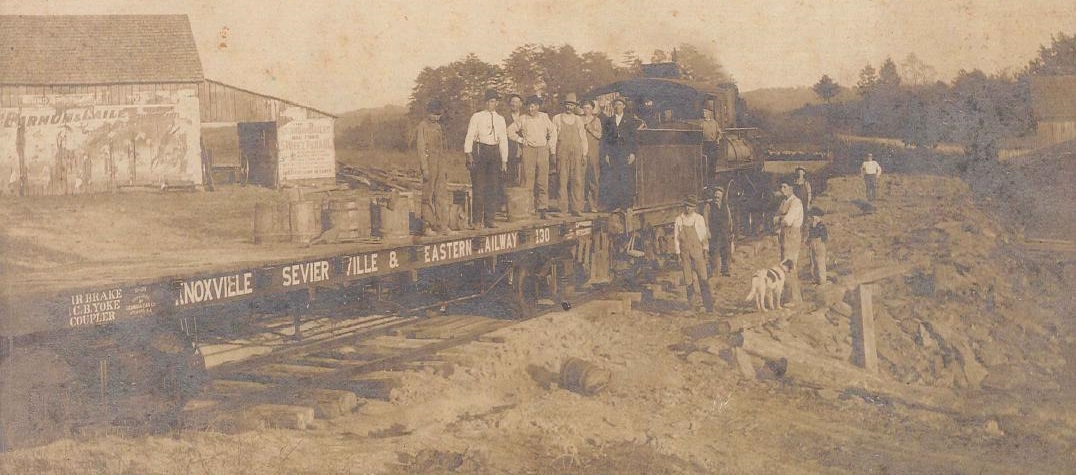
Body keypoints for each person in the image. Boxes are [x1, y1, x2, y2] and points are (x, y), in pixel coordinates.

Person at [464, 89, 509, 228]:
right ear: (486, 102)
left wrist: (504, 160)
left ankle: (489, 219)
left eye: (495, 101)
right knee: (479, 186)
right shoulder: (477, 117)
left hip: (495, 153)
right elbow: (470, 135)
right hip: (480, 151)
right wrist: (469, 154)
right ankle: (477, 220)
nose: (493, 104)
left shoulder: (500, 119)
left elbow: (503, 140)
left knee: (493, 187)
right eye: (491, 101)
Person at [508, 95, 557, 218]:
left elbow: (553, 132)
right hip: (528, 150)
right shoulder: (523, 118)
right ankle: (527, 208)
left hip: (542, 150)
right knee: (527, 180)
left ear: (538, 106)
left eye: (533, 105)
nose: (531, 108)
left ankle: (542, 208)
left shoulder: (544, 117)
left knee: (542, 180)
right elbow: (509, 131)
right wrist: (520, 139)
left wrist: (549, 147)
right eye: (529, 106)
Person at [674, 195, 714, 313]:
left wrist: (705, 251)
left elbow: (703, 237)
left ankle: (708, 306)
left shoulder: (699, 219)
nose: (688, 209)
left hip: (697, 252)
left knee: (703, 278)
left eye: (691, 207)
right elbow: (676, 238)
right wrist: (678, 254)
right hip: (685, 254)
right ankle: (691, 305)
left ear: (694, 207)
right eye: (686, 206)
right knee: (688, 280)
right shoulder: (679, 220)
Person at [601, 97, 642, 211]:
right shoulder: (609, 120)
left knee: (626, 177)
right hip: (613, 153)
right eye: (616, 105)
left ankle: (627, 204)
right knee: (614, 177)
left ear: (624, 106)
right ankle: (615, 204)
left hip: (625, 152)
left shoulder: (630, 119)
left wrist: (633, 153)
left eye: (620, 104)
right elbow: (606, 139)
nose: (617, 107)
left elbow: (634, 138)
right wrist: (607, 154)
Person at [415, 99, 450, 235]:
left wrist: (444, 168)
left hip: (440, 163)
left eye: (439, 115)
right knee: (427, 195)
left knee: (441, 194)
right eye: (434, 114)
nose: (436, 117)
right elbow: (421, 148)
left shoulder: (438, 127)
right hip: (429, 163)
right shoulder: (422, 126)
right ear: (428, 113)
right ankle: (428, 226)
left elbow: (442, 148)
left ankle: (442, 225)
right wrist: (424, 169)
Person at [551, 93, 588, 216]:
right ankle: (562, 209)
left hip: (576, 153)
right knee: (562, 180)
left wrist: (584, 153)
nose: (569, 107)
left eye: (571, 105)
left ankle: (576, 208)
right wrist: (553, 152)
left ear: (575, 106)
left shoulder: (578, 120)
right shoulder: (557, 118)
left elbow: (583, 137)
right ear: (564, 105)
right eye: (567, 104)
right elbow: (553, 137)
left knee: (577, 180)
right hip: (562, 152)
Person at [774, 181, 804, 303]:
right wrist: (779, 219)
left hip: (792, 235)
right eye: (781, 186)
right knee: (784, 265)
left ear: (791, 188)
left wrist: (780, 219)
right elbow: (774, 218)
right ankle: (788, 296)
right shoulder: (784, 202)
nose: (782, 189)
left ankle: (794, 299)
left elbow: (787, 220)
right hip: (784, 235)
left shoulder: (796, 202)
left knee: (790, 265)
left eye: (785, 187)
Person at [703, 186, 734, 277]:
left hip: (724, 232)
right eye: (715, 194)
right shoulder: (708, 206)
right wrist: (707, 230)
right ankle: (713, 271)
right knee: (714, 251)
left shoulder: (725, 205)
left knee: (726, 251)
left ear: (722, 196)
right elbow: (706, 220)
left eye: (719, 195)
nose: (717, 197)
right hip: (714, 233)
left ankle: (725, 270)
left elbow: (729, 219)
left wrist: (731, 230)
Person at [580, 100, 603, 213]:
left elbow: (600, 135)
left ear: (592, 109)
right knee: (581, 178)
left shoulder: (596, 120)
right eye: (584, 108)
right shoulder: (579, 119)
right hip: (581, 152)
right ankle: (582, 204)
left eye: (588, 108)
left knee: (594, 178)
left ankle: (594, 204)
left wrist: (590, 129)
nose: (586, 110)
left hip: (593, 152)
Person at [504, 94, 525, 187]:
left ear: (520, 104)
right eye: (512, 102)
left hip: (524, 147)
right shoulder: (505, 117)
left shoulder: (525, 117)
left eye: (516, 102)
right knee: (510, 172)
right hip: (510, 148)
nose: (514, 104)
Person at [807, 207, 829, 285]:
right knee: (813, 261)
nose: (809, 219)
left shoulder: (820, 226)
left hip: (819, 243)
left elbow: (823, 236)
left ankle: (822, 280)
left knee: (820, 261)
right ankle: (816, 278)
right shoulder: (812, 226)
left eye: (811, 217)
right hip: (813, 243)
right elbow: (810, 235)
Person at [792, 167, 812, 237]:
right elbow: (792, 193)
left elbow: (809, 193)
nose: (799, 173)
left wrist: (808, 203)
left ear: (804, 173)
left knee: (804, 218)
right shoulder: (794, 182)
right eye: (798, 172)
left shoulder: (806, 183)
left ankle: (804, 234)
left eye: (801, 172)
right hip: (796, 203)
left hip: (804, 202)